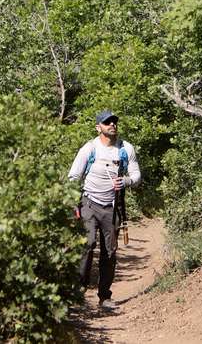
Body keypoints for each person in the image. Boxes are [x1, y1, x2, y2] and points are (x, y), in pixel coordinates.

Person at [67, 110, 141, 311]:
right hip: (88, 203)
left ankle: (104, 297)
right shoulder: (90, 148)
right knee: (87, 245)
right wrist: (74, 204)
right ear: (98, 127)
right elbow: (73, 177)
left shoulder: (126, 149)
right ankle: (78, 293)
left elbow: (136, 176)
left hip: (113, 207)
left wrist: (125, 181)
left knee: (110, 252)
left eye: (114, 121)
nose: (112, 124)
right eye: (107, 122)